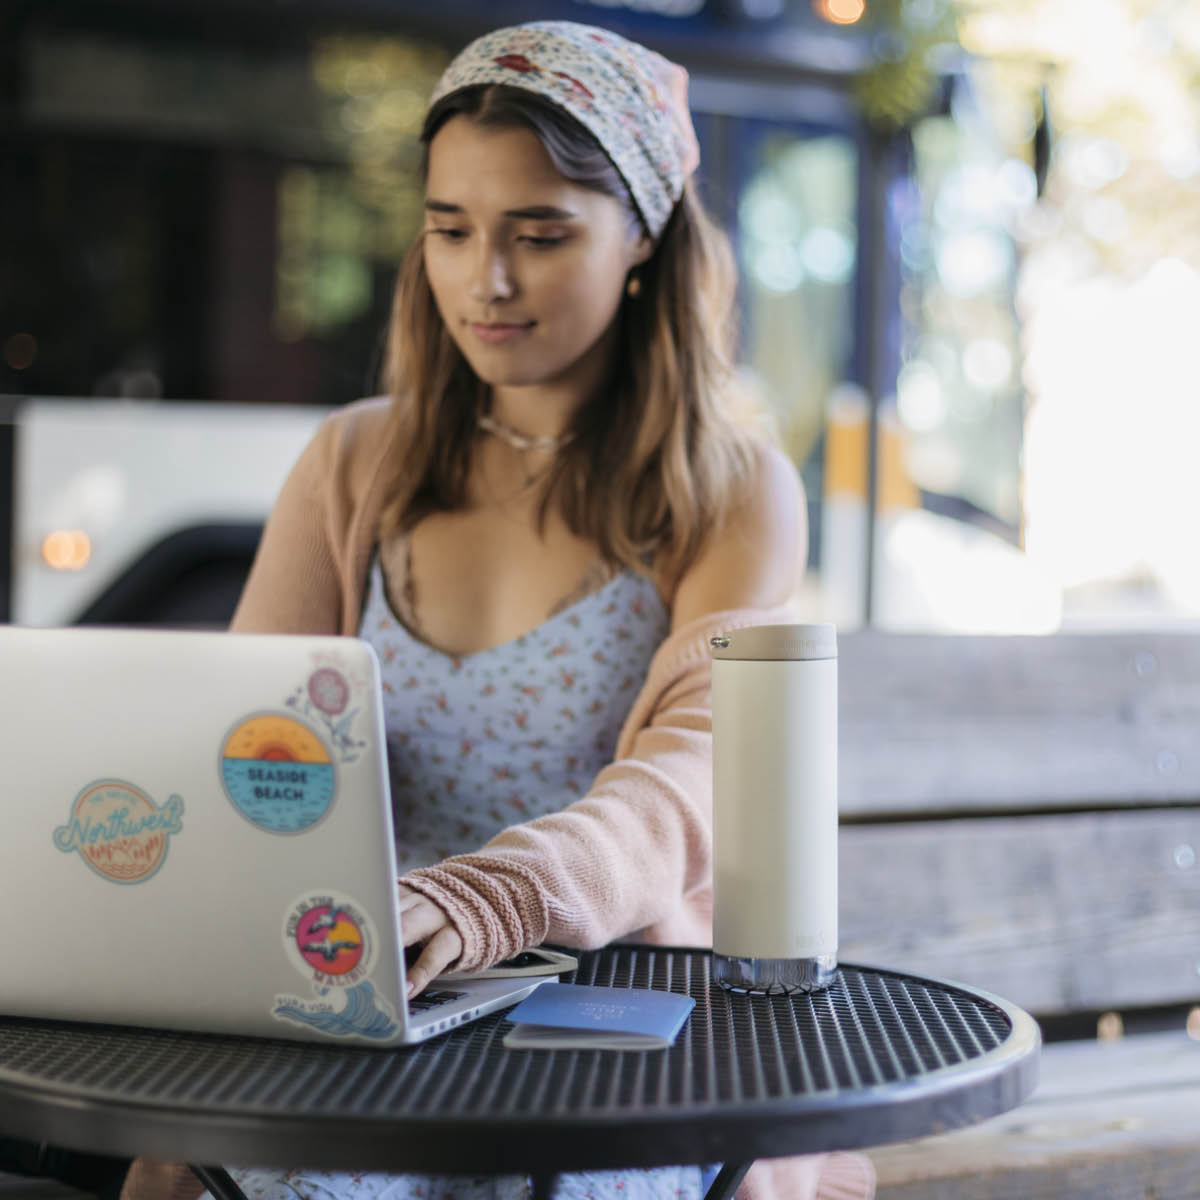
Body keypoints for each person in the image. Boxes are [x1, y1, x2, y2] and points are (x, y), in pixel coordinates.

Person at [122, 20, 874, 1200]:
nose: (490, 279)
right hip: (362, 1006)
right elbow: (243, 748)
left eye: (541, 232)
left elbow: (700, 777)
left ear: (642, 239)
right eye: (450, 230)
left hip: (611, 1027)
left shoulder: (728, 486)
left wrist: (493, 901)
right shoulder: (353, 462)